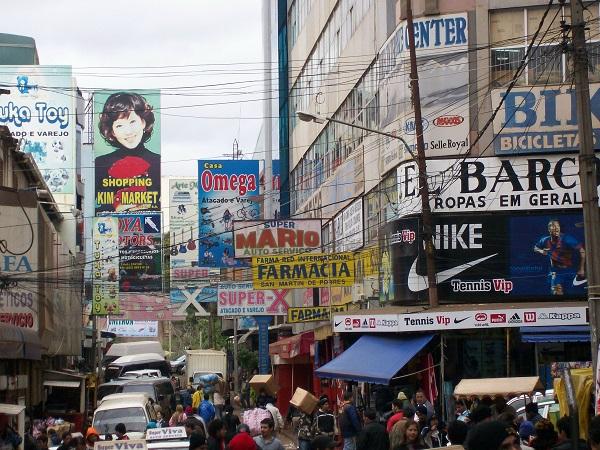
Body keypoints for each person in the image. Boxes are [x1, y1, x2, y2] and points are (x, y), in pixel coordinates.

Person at [95, 91, 160, 213]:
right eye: (119, 126)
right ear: (112, 131)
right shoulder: (99, 164)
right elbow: (97, 209)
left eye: (132, 122)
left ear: (143, 122)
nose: (128, 132)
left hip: (149, 228)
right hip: (110, 229)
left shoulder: (158, 162)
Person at [534, 219, 586, 296]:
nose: (556, 228)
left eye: (557, 226)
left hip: (569, 270)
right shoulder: (545, 240)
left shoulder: (567, 239)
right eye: (553, 226)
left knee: (573, 295)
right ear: (549, 229)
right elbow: (535, 248)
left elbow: (582, 250)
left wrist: (581, 269)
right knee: (557, 293)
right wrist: (541, 251)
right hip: (555, 272)